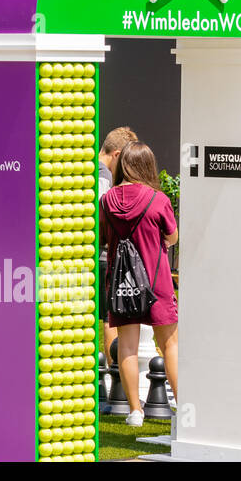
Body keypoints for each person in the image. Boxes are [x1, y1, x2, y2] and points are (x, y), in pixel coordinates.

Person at [100, 141, 179, 426]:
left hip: (122, 282)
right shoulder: (158, 200)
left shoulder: (107, 200)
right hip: (156, 282)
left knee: (127, 347)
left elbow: (103, 238)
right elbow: (172, 238)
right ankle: (182, 408)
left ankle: (135, 411)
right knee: (169, 344)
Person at [97, 126, 138, 365]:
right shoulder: (105, 176)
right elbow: (103, 212)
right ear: (117, 154)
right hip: (102, 256)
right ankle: (113, 376)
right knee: (108, 318)